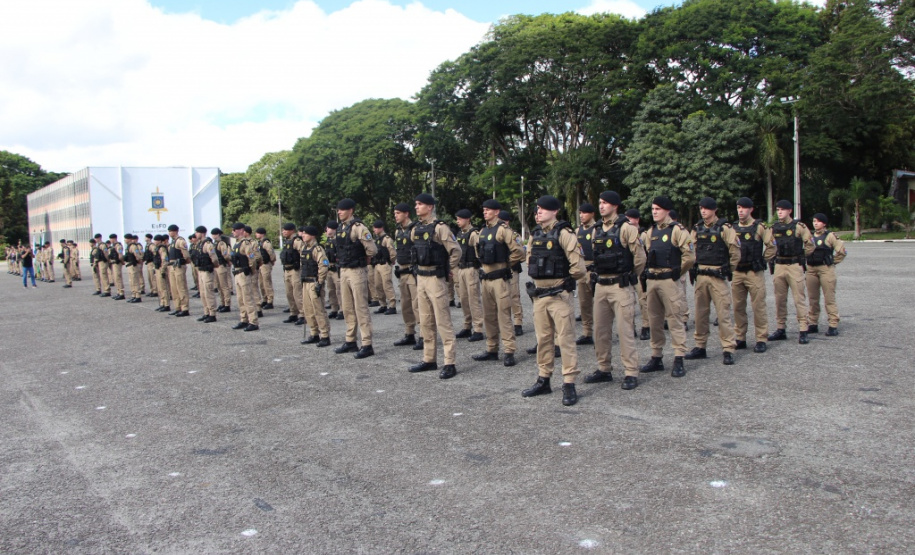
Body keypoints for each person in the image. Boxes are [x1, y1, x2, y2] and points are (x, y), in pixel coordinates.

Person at [520, 196, 587, 405]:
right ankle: (544, 379)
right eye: (537, 208)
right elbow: (530, 260)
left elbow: (579, 268)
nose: (538, 212)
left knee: (565, 340)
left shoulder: (565, 233)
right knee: (543, 340)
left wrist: (563, 282)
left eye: (543, 209)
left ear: (555, 211)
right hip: (540, 296)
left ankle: (569, 382)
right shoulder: (536, 234)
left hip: (559, 295)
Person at [583, 191, 647, 390]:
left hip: (620, 286)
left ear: (615, 206)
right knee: (600, 331)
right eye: (600, 202)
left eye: (605, 203)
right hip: (601, 286)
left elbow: (640, 258)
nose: (601, 206)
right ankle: (604, 369)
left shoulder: (626, 228)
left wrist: (628, 275)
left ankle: (630, 372)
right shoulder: (596, 229)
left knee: (625, 331)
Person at [639, 196, 695, 378]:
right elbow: (645, 254)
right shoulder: (650, 232)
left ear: (667, 211)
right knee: (654, 320)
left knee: (675, 319)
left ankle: (679, 357)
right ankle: (656, 356)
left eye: (658, 209)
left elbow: (690, 256)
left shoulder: (677, 230)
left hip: (669, 280)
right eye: (653, 208)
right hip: (653, 280)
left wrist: (677, 273)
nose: (654, 211)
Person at [408, 193, 462, 379]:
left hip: (436, 279)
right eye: (416, 204)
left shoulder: (440, 228)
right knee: (425, 321)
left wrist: (449, 269)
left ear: (430, 207)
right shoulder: (416, 229)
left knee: (443, 321)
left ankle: (449, 362)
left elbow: (455, 250)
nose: (416, 207)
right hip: (421, 278)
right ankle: (429, 359)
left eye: (420, 204)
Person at [684, 197, 741, 365]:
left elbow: (735, 251)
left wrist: (728, 270)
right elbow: (691, 249)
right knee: (700, 314)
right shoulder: (697, 228)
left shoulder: (725, 228)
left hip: (717, 275)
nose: (703, 211)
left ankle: (728, 348)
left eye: (707, 208)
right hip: (701, 275)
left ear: (714, 210)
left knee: (723, 314)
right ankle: (700, 346)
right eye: (701, 208)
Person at [473, 199, 525, 366]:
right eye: (484, 209)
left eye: (488, 210)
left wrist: (507, 264)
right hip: (486, 279)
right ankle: (492, 348)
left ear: (497, 212)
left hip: (500, 280)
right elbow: (478, 251)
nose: (485, 212)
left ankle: (509, 350)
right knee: (488, 316)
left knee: (504, 316)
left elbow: (519, 251)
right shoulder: (482, 231)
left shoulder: (503, 230)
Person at [333, 198, 377, 359]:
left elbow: (372, 249)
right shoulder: (340, 228)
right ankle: (350, 340)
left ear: (350, 210)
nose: (339, 212)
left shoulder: (359, 228)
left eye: (342, 209)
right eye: (338, 210)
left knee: (361, 308)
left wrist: (364, 260)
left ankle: (367, 344)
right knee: (347, 307)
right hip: (344, 270)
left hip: (357, 271)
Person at [768, 200, 815, 344]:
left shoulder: (798, 226)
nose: (779, 212)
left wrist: (801, 256)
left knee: (799, 299)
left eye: (782, 210)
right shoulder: (773, 228)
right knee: (779, 299)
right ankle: (781, 328)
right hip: (779, 265)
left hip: (794, 265)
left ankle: (803, 329)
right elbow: (769, 245)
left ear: (790, 211)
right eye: (778, 210)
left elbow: (810, 244)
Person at [731, 197, 775, 353]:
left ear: (751, 209)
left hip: (754, 273)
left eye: (744, 208)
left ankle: (761, 338)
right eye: (738, 208)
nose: (740, 210)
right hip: (737, 272)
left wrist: (763, 260)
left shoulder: (760, 227)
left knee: (758, 306)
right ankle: (740, 337)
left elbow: (772, 246)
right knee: (738, 307)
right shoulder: (733, 227)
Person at [806, 213, 846, 336]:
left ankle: (833, 324)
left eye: (818, 221)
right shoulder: (810, 236)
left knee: (829, 298)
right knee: (813, 298)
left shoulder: (830, 236)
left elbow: (842, 251)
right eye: (814, 221)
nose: (815, 223)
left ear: (824, 223)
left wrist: (832, 261)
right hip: (811, 269)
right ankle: (813, 323)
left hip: (826, 269)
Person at [392, 203, 423, 349]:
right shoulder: (398, 231)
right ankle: (409, 333)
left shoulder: (415, 229)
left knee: (418, 305)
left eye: (398, 213)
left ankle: (424, 335)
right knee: (405, 305)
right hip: (403, 272)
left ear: (406, 214)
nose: (395, 215)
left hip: (413, 272)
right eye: (395, 213)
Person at [454, 208, 485, 343]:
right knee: (464, 299)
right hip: (461, 269)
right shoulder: (460, 234)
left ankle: (478, 329)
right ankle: (467, 326)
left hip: (471, 269)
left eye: (460, 219)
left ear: (467, 219)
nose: (457, 221)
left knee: (473, 299)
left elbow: (480, 251)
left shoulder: (473, 234)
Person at [299, 226, 332, 347]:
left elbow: (323, 265)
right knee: (308, 310)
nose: (303, 235)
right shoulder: (304, 248)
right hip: (305, 282)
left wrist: (320, 282)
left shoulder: (317, 249)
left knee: (318, 310)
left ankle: (324, 335)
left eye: (305, 234)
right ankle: (314, 333)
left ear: (312, 235)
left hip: (314, 282)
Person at [626, 208, 652, 340]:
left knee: (643, 301)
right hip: (628, 272)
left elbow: (647, 253)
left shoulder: (643, 234)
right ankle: (631, 327)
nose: (628, 220)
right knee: (629, 302)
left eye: (631, 218)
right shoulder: (625, 233)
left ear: (637, 220)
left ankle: (646, 326)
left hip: (640, 272)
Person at [574, 202, 598, 345]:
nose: (582, 215)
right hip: (583, 270)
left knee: (601, 305)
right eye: (580, 213)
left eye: (584, 213)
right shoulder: (578, 231)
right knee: (584, 304)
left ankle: (601, 332)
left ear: (592, 214)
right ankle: (587, 333)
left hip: (595, 270)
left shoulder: (597, 229)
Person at [230, 223, 260, 331]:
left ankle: (253, 321)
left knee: (247, 298)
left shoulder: (245, 243)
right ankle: (244, 319)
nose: (233, 232)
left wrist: (251, 271)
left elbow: (251, 258)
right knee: (240, 299)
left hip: (244, 273)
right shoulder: (236, 243)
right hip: (237, 273)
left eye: (235, 229)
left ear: (241, 230)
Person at [500, 210, 525, 336]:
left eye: (502, 221)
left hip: (512, 268)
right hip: (500, 270)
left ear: (507, 221)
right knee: (502, 297)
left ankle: (518, 322)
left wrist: (509, 262)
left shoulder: (514, 235)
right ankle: (505, 322)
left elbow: (521, 253)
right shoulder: (496, 233)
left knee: (514, 295)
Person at [279, 222, 306, 325]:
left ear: (292, 230)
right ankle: (293, 313)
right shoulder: (287, 241)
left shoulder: (297, 241)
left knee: (297, 293)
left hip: (295, 270)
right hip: (287, 270)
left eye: (286, 230)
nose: (283, 232)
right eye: (283, 230)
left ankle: (303, 315)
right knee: (289, 293)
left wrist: (301, 268)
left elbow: (303, 254)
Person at [192, 226, 219, 322]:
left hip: (207, 271)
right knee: (203, 293)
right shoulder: (199, 244)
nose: (196, 234)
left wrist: (213, 266)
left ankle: (212, 314)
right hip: (201, 271)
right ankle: (206, 312)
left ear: (202, 233)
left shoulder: (208, 244)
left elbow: (214, 258)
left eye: (197, 232)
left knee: (208, 293)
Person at [371, 220, 398, 314]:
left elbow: (392, 252)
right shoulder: (377, 239)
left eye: (376, 228)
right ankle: (383, 304)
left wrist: (391, 261)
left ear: (381, 228)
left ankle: (392, 305)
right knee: (378, 285)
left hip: (385, 264)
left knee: (387, 285)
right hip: (377, 264)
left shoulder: (387, 239)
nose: (374, 230)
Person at [166, 224, 191, 317]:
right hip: (172, 266)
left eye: (170, 231)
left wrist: (184, 262)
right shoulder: (172, 242)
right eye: (169, 231)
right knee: (174, 288)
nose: (169, 233)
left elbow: (186, 255)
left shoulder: (180, 241)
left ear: (175, 231)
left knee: (181, 287)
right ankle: (177, 307)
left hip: (179, 266)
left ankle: (184, 308)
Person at [322, 221, 343, 319]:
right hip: (329, 269)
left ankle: (342, 310)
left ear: (334, 229)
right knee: (331, 290)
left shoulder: (339, 240)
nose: (327, 230)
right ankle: (334, 308)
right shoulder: (328, 240)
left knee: (339, 291)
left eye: (329, 228)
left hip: (337, 268)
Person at [211, 228, 233, 312]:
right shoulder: (215, 244)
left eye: (214, 234)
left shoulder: (221, 243)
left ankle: (227, 304)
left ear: (218, 234)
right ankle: (222, 302)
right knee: (219, 286)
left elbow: (226, 255)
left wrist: (228, 261)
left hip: (221, 266)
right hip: (216, 266)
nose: (213, 236)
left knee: (224, 286)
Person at [254, 227, 276, 309]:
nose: (256, 234)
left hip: (266, 264)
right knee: (261, 283)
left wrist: (272, 261)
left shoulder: (266, 243)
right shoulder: (259, 242)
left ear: (262, 234)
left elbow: (271, 253)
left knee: (267, 283)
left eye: (257, 233)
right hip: (260, 265)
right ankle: (265, 299)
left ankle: (270, 300)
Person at [153, 235, 173, 312]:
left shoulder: (162, 248)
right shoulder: (157, 248)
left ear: (160, 241)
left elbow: (164, 260)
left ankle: (166, 304)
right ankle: (162, 303)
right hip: (158, 268)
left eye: (156, 240)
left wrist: (163, 270)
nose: (155, 242)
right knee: (160, 288)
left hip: (161, 269)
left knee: (164, 288)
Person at [124, 234, 145, 302]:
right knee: (131, 281)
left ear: (129, 239)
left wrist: (138, 262)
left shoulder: (133, 246)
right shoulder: (128, 246)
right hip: (130, 265)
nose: (124, 240)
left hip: (133, 265)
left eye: (126, 239)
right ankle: (134, 295)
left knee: (135, 281)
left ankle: (138, 296)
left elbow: (138, 256)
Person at [107, 233, 126, 300]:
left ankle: (121, 293)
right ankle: (118, 292)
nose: (110, 240)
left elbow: (120, 255)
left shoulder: (118, 246)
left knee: (118, 278)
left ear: (114, 238)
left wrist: (122, 262)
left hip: (117, 263)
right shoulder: (113, 246)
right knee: (115, 278)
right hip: (114, 263)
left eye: (111, 239)